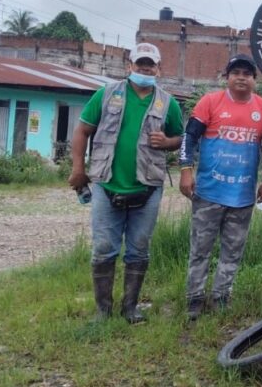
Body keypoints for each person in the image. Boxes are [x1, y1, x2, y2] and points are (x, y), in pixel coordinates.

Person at [68, 43, 184, 324]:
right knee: (103, 248)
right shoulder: (106, 95)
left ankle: (130, 307)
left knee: (139, 248)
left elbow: (182, 139)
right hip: (107, 185)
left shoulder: (168, 103)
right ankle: (102, 310)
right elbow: (83, 130)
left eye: (150, 64)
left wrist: (168, 142)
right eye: (140, 63)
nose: (145, 69)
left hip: (147, 187)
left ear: (159, 68)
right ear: (129, 66)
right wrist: (78, 169)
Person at [179, 54, 262, 319]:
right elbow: (189, 137)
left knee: (232, 252)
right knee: (200, 250)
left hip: (242, 195)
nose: (241, 77)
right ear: (227, 77)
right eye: (236, 73)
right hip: (208, 193)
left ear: (255, 79)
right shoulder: (210, 102)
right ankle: (194, 298)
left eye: (247, 73)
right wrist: (186, 171)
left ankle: (221, 296)